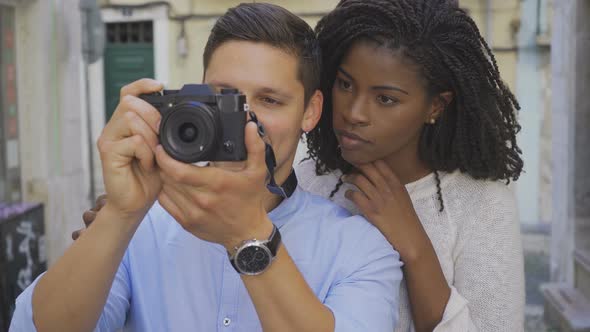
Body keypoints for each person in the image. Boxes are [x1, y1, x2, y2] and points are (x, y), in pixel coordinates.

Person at [9, 3, 402, 331]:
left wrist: (249, 237)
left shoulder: (360, 248)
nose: (246, 121)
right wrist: (121, 211)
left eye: (269, 100)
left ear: (311, 110)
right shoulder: (142, 227)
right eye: (224, 98)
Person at [297, 0, 525, 331]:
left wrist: (414, 245)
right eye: (345, 84)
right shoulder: (309, 179)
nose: (354, 112)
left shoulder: (481, 203)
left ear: (436, 105)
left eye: (385, 98)